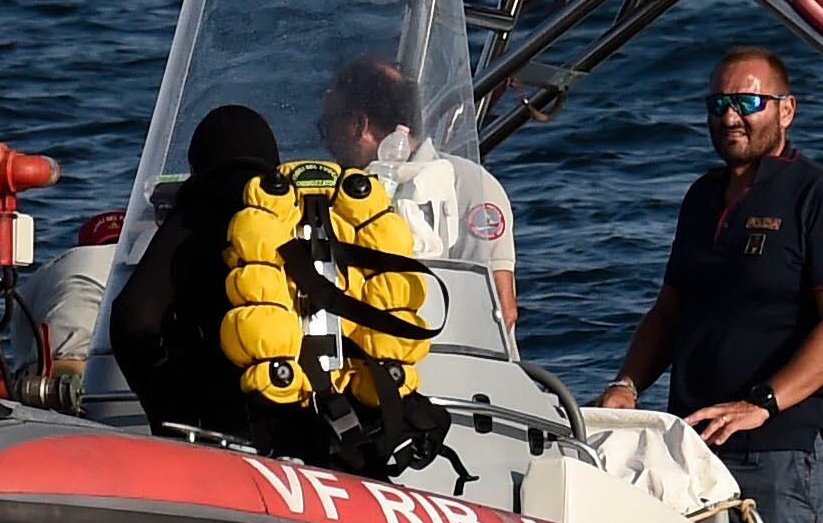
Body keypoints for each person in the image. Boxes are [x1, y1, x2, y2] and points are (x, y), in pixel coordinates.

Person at [599, 47, 823, 523]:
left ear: (786, 110)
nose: (730, 118)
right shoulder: (702, 198)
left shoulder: (821, 196)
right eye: (718, 104)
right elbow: (669, 309)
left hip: (781, 453)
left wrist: (762, 404)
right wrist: (628, 385)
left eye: (748, 102)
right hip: (692, 447)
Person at [107, 103, 282, 438]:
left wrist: (168, 407)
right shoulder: (298, 211)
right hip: (317, 426)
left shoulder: (198, 214)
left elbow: (133, 318)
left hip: (228, 429)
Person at [316, 52, 518, 329]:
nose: (326, 143)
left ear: (359, 125)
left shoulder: (467, 184)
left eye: (327, 126)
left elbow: (499, 310)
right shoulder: (339, 195)